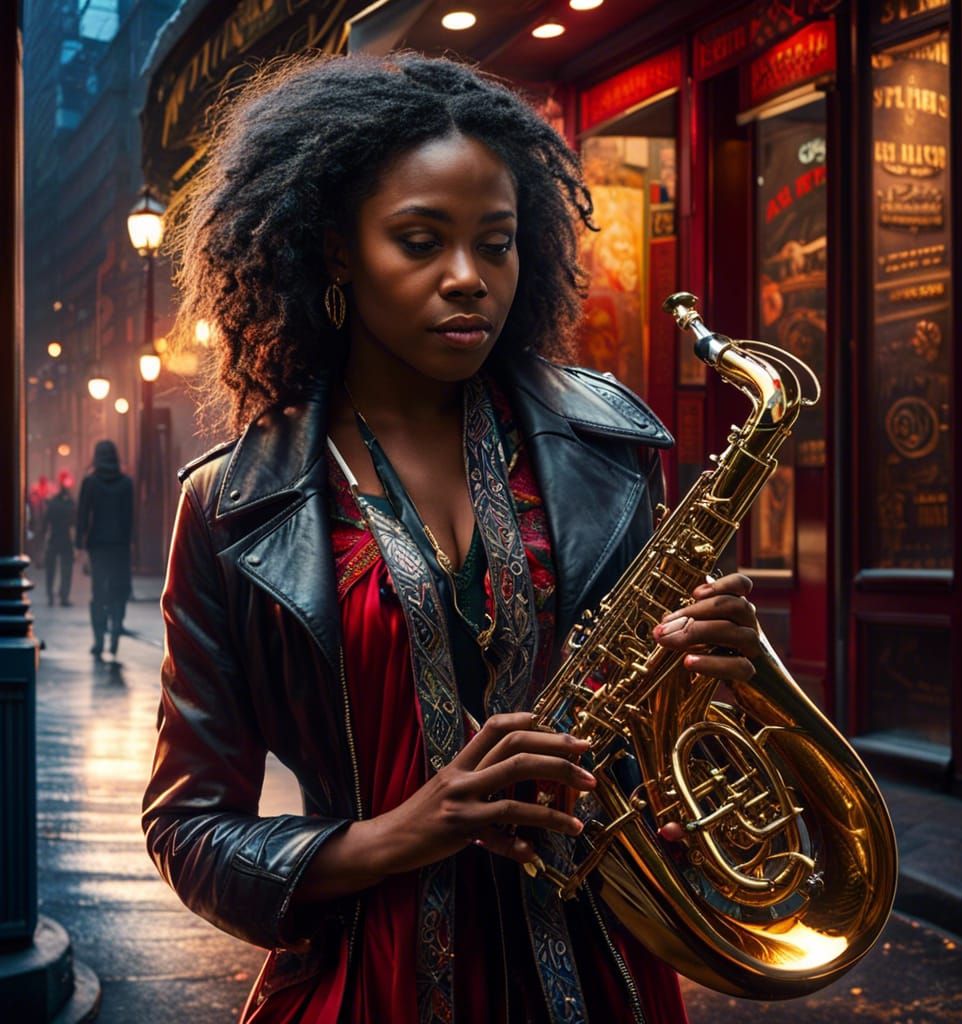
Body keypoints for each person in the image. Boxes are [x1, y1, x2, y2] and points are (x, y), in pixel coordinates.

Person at [142, 53, 762, 1024]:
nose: (469, 279)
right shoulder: (231, 507)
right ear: (334, 250)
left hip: (601, 980)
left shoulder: (610, 450)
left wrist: (717, 693)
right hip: (366, 984)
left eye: (498, 243)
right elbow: (190, 830)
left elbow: (657, 764)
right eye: (421, 240)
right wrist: (403, 831)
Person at [77, 439, 133, 656]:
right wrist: (130, 544)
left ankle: (99, 640)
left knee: (98, 591)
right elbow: (129, 517)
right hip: (119, 544)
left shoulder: (90, 482)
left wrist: (79, 546)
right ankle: (117, 626)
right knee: (119, 589)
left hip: (97, 545)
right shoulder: (126, 483)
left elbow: (83, 515)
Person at [43, 470, 76, 606]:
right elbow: (75, 522)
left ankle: (50, 594)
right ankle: (64, 596)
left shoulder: (52, 503)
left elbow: (46, 521)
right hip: (66, 538)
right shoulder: (71, 504)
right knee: (66, 569)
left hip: (53, 538)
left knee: (50, 569)